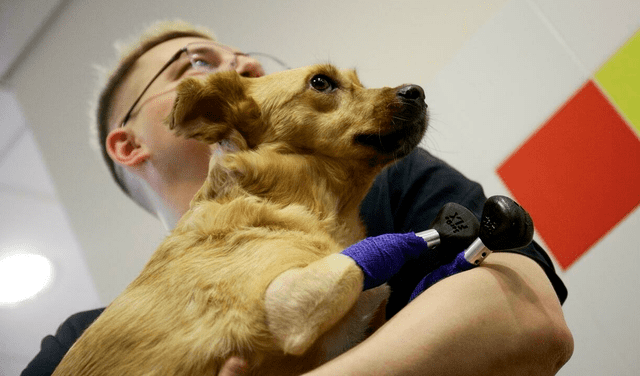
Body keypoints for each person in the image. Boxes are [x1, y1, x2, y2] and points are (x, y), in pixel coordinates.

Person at [22, 20, 573, 375]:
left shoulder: (386, 183)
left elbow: (531, 320)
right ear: (128, 143)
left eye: (248, 58)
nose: (246, 66)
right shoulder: (78, 339)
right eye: (197, 62)